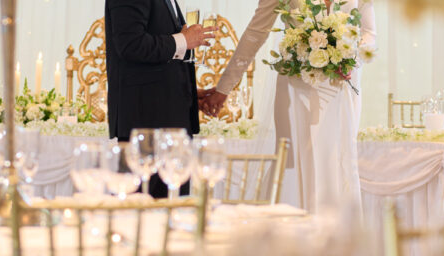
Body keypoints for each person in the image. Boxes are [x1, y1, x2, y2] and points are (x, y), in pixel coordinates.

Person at [202, 0, 376, 212]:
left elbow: (369, 34)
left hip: (338, 90)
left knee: (335, 163)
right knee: (293, 165)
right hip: (295, 89)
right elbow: (256, 33)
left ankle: (336, 236)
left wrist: (349, 56)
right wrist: (224, 88)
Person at [105, 0, 217, 198]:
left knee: (170, 215)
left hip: (169, 121)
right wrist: (183, 40)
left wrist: (187, 92)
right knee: (135, 216)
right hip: (144, 125)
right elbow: (130, 45)